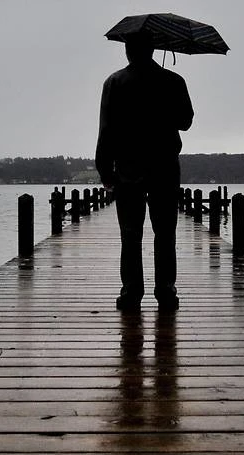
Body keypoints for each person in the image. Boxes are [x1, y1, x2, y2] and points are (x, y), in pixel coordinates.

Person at [95, 35, 194, 312]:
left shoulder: (114, 83)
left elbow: (106, 130)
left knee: (130, 234)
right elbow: (185, 121)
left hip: (128, 170)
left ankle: (131, 293)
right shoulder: (173, 81)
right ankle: (166, 291)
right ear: (153, 50)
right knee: (165, 233)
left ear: (128, 50)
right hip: (164, 168)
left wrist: (104, 170)